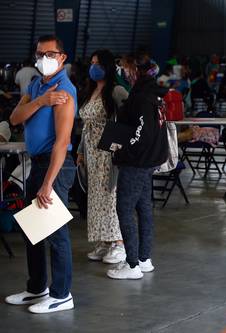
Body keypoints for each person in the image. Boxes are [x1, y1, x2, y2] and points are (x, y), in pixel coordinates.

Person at [5, 35, 77, 313]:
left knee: (55, 232)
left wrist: (48, 183)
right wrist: (41, 101)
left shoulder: (65, 92)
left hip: (55, 165)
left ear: (62, 57)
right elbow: (14, 118)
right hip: (37, 162)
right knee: (32, 229)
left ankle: (62, 294)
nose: (42, 59)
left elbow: (62, 142)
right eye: (39, 54)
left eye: (49, 54)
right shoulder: (38, 86)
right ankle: (37, 288)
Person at [106, 54, 168, 280]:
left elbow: (142, 133)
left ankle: (132, 264)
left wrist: (124, 150)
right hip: (149, 160)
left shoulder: (141, 97)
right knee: (143, 207)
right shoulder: (153, 94)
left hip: (137, 161)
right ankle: (143, 258)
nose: (120, 71)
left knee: (124, 208)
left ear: (133, 71)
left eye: (123, 67)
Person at [77, 49, 128, 264]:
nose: (93, 67)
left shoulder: (116, 90)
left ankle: (119, 243)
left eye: (97, 63)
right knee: (96, 198)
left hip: (109, 154)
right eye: (91, 63)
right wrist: (80, 151)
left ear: (107, 66)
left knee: (110, 197)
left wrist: (121, 146)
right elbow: (86, 126)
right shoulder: (91, 91)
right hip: (91, 153)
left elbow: (129, 118)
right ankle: (104, 240)